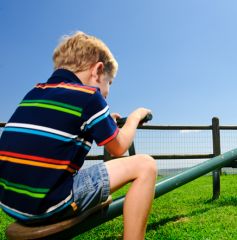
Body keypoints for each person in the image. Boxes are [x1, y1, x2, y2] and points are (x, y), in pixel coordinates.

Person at [0, 31, 157, 240]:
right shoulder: (90, 96)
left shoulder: (35, 93)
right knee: (145, 165)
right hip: (49, 205)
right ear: (98, 70)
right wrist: (135, 117)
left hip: (12, 204)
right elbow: (119, 148)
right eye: (109, 83)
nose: (107, 92)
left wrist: (105, 119)